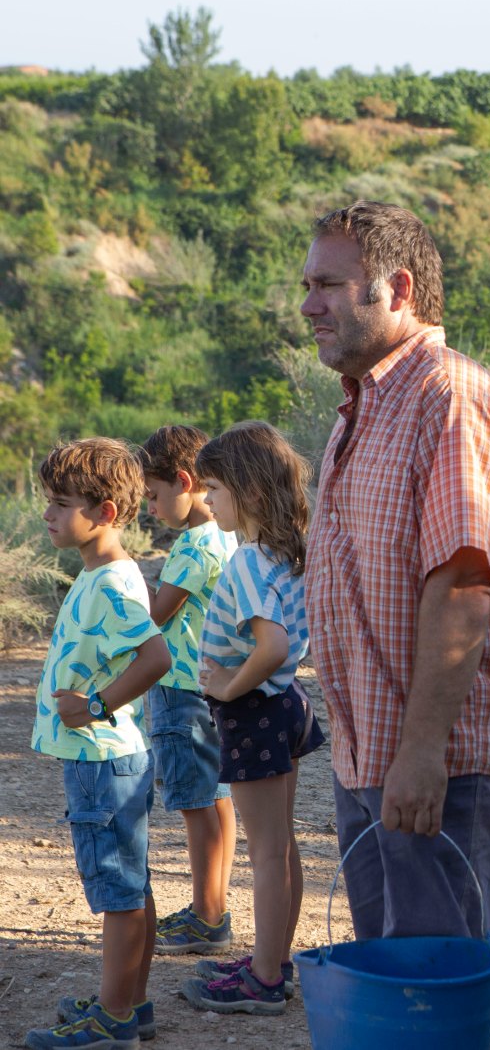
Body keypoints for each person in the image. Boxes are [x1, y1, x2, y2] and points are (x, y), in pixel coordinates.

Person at [302, 201, 490, 945]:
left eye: (328, 284)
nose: (308, 304)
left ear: (399, 287)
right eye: (308, 284)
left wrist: (420, 754)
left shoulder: (452, 399)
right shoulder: (364, 405)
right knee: (396, 984)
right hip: (373, 753)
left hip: (438, 758)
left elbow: (461, 587)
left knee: (428, 983)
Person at [27, 438, 169, 1050]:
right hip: (107, 759)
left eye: (61, 503)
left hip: (101, 760)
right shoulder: (100, 573)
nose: (47, 515)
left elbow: (156, 657)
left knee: (116, 890)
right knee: (130, 884)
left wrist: (94, 705)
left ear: (106, 511)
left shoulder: (112, 583)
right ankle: (130, 1006)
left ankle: (112, 1022)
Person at [179, 421, 325, 1016]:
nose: (206, 501)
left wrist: (227, 688)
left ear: (252, 493)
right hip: (285, 707)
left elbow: (270, 644)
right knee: (280, 845)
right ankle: (276, 959)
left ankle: (263, 979)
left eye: (213, 488)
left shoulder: (246, 562)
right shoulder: (288, 550)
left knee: (265, 852)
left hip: (255, 709)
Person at [135, 425, 239, 957]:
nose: (151, 509)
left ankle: (206, 916)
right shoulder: (227, 532)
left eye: (153, 496)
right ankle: (212, 908)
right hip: (212, 686)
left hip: (180, 690)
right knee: (217, 801)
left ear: (183, 480)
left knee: (197, 806)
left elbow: (154, 617)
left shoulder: (194, 545)